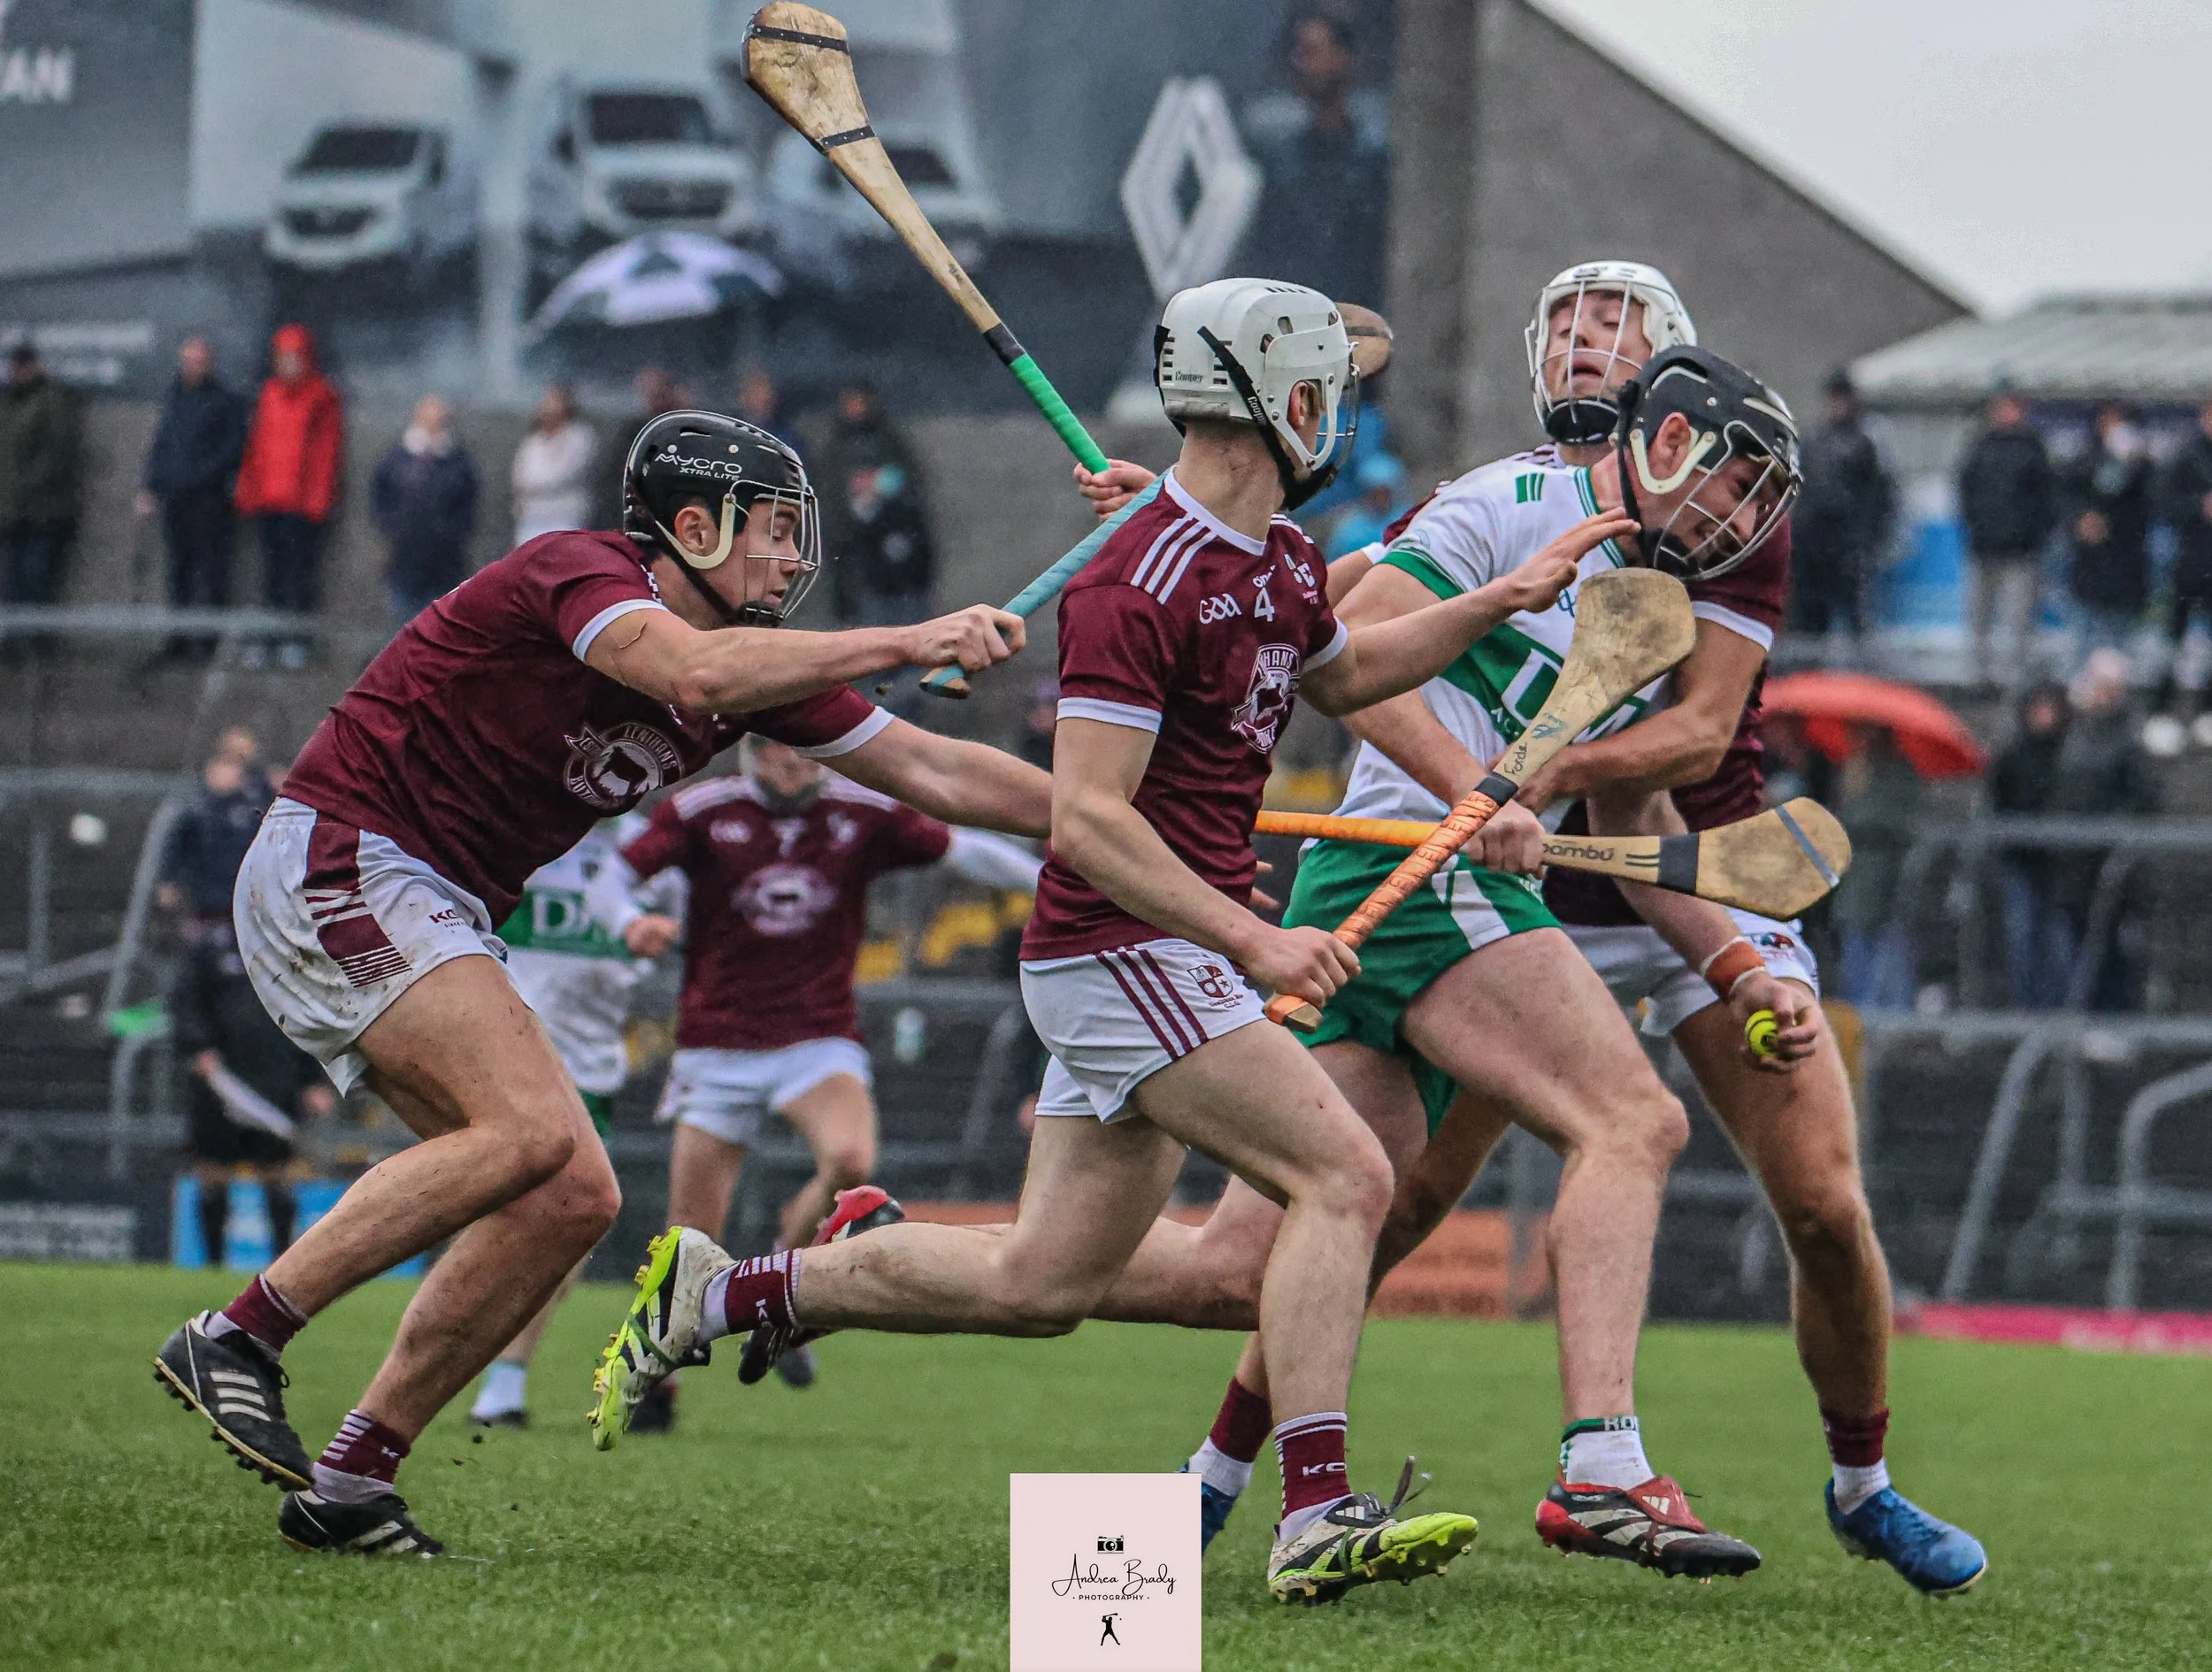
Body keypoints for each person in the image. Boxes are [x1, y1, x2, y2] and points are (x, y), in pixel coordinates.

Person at [595, 278, 1570, 1604]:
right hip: (1123, 949)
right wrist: (1254, 942)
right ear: (1275, 400)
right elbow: (1090, 821)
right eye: (1322, 392)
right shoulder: (1133, 579)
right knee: (1347, 1175)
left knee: (1040, 1283)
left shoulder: (1282, 558)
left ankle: (722, 1295)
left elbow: (1347, 674)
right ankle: (1315, 1513)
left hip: (1163, 954)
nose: (1335, 416)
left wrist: (1501, 598)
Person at [1075, 260, 1985, 1596]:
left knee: (1249, 1257)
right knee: (1599, 1136)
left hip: (1606, 871)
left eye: (1613, 324)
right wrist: (1186, 525)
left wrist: (1737, 962)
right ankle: (1590, 1465)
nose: (1584, 345)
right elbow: (1339, 642)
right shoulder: (1513, 504)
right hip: (1459, 880)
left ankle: (891, 1275)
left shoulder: (1687, 542)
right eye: (1567, 323)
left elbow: (1664, 768)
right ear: (1658, 438)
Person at [154, 407, 1045, 1558]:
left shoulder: (758, 670)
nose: (792, 559)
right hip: (347, 854)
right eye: (775, 531)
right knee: (528, 1132)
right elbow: (692, 668)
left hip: (433, 895)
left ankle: (354, 1480)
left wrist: (1123, 825)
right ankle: (238, 1336)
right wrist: (910, 636)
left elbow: (937, 769)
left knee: (571, 1196)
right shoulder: (580, 572)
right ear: (693, 527)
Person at [601, 734, 1042, 1425]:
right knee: (688, 1237)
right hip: (716, 1045)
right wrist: (629, 922)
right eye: (782, 749)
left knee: (850, 1160)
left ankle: (783, 1266)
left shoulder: (862, 811)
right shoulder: (702, 811)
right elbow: (613, 875)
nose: (797, 762)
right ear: (751, 749)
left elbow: (965, 851)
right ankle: (659, 1383)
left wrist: (1054, 883)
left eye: (808, 749)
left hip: (817, 1039)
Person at [466, 814, 664, 1429]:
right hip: (501, 1047)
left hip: (590, 1067)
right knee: (490, 1206)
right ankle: (462, 1348)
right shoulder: (520, 823)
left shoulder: (655, 847)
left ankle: (506, 1375)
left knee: (573, 1215)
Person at [1239, 12, 1389, 311]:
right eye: (1300, 52)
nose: (1302, 64)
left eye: (1313, 52)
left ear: (1344, 57)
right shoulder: (1281, 164)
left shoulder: (1375, 165)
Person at [2047, 648, 2161, 1010]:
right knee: (2074, 941)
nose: (2102, 695)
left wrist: (2111, 829)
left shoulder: (2129, 740)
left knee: (2112, 947)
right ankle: (2079, 1012)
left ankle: (2115, 1014)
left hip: (2111, 865)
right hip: (2072, 863)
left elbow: (2145, 798)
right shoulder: (2073, 733)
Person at [234, 324, 342, 663]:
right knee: (270, 574)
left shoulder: (322, 396)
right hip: (269, 499)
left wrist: (318, 499)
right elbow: (256, 446)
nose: (288, 364)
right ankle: (268, 638)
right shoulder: (268, 393)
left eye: (294, 357)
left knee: (299, 574)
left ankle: (296, 639)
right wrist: (248, 490)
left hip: (301, 502)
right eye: (282, 357)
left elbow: (326, 452)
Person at [138, 336, 250, 649]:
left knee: (212, 568)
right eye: (187, 361)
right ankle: (179, 637)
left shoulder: (224, 400)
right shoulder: (175, 397)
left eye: (198, 362)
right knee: (179, 568)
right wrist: (151, 486)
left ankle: (210, 639)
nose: (191, 368)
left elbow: (232, 449)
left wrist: (198, 477)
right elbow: (162, 445)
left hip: (209, 499)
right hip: (176, 498)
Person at [1789, 367, 1893, 654]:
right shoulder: (1812, 440)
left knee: (1856, 621)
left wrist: (1868, 541)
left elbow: (1878, 498)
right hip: (1812, 545)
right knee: (1810, 622)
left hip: (1849, 545)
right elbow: (1799, 490)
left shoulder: (1864, 444)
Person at [1956, 391, 2056, 690]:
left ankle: (2017, 684)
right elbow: (1965, 489)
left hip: (2020, 551)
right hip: (1983, 547)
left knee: (2019, 621)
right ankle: (1979, 679)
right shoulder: (1980, 445)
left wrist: (2032, 536)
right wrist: (1975, 526)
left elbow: (2046, 499)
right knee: (1979, 619)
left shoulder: (2033, 448)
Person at [1987, 680, 2074, 1009]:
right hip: (2021, 863)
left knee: (2058, 941)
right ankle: (2028, 1007)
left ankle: (2058, 1008)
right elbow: (2000, 801)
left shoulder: (2069, 757)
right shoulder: (2013, 757)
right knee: (2022, 940)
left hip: (2059, 868)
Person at [370, 396, 479, 628]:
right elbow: (380, 497)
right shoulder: (397, 458)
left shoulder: (457, 462)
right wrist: (392, 530)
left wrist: (449, 533)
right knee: (404, 623)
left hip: (444, 559)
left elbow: (466, 507)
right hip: (403, 556)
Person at [2067, 402, 2153, 666]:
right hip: (2090, 570)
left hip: (2125, 568)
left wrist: (2128, 463)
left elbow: (2146, 502)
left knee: (2119, 649)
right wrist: (2082, 518)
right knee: (2084, 643)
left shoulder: (2142, 464)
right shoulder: (2084, 460)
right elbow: (2070, 497)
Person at [0, 341, 84, 606]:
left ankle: (37, 631)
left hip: (46, 511)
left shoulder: (53, 399)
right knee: (14, 583)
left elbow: (58, 452)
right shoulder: (11, 401)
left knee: (37, 580)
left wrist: (23, 485)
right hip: (15, 512)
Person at [2154, 399, 2212, 732]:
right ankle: (2162, 708)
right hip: (2190, 562)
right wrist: (2199, 507)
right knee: (2173, 638)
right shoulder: (2186, 455)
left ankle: (2206, 711)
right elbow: (2164, 501)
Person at [510, 383, 596, 548]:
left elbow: (564, 474)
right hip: (532, 519)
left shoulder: (580, 437)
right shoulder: (533, 440)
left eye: (554, 401)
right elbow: (519, 475)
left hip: (564, 519)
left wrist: (533, 486)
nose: (547, 406)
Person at [1322, 451, 1407, 560]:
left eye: (1385, 493)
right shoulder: (1350, 533)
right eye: (1375, 494)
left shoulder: (1406, 522)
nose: (1380, 499)